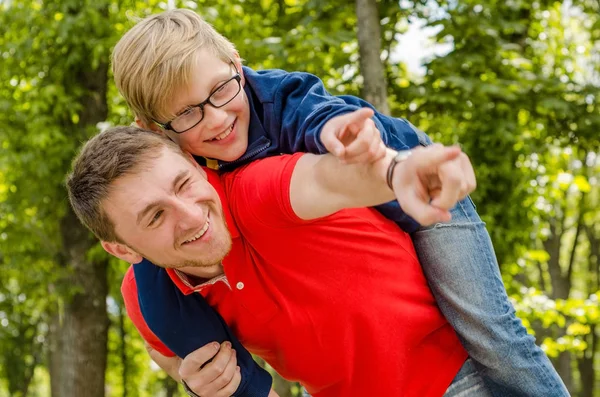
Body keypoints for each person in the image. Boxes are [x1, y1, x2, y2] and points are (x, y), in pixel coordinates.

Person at [109, 9, 568, 397]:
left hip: (412, 181)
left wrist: (338, 136)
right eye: (188, 113)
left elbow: (320, 117)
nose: (217, 119)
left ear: (236, 63)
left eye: (223, 89)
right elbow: (154, 271)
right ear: (154, 127)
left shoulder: (278, 99)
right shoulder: (181, 179)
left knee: (491, 330)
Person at [68, 125, 485, 397]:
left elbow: (327, 178)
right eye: (156, 215)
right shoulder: (148, 297)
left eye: (184, 183)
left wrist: (399, 171)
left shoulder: (254, 191)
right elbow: (160, 347)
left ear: (195, 164)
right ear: (123, 249)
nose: (192, 216)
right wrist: (187, 375)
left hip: (456, 381)